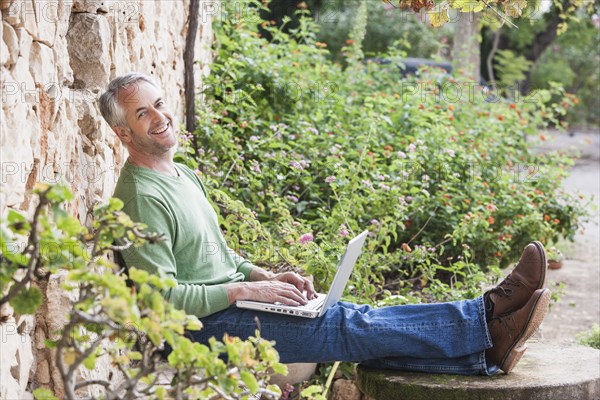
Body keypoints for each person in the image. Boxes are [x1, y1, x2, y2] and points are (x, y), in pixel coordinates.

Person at [99, 72, 552, 376]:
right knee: (341, 327)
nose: (160, 118)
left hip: (230, 309)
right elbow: (160, 302)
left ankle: (486, 350)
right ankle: (489, 312)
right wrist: (244, 291)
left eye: (158, 104)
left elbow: (216, 256)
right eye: (143, 114)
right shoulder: (140, 198)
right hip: (201, 329)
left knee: (351, 318)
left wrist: (264, 277)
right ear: (123, 133)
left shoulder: (181, 174)